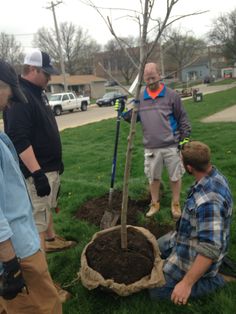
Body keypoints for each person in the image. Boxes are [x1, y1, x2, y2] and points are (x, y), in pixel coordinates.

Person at [3, 49, 76, 301]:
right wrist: (38, 172)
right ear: (32, 70)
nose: (49, 78)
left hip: (49, 168)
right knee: (36, 230)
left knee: (45, 216)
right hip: (38, 175)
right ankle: (46, 288)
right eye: (46, 73)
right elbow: (19, 137)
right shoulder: (21, 99)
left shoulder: (37, 93)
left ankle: (52, 240)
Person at [149, 141, 233, 305]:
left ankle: (220, 279)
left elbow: (210, 248)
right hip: (185, 237)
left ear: (189, 168)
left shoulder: (209, 203)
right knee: (154, 246)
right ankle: (172, 257)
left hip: (198, 253)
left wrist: (186, 284)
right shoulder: (213, 175)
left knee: (157, 292)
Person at [136, 62, 191, 219]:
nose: (150, 81)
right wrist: (121, 111)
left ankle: (175, 204)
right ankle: (154, 203)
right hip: (151, 147)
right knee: (153, 178)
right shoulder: (140, 99)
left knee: (175, 176)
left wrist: (185, 137)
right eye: (147, 79)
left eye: (153, 77)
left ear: (159, 75)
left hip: (171, 145)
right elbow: (132, 118)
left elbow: (183, 118)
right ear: (143, 79)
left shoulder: (172, 95)